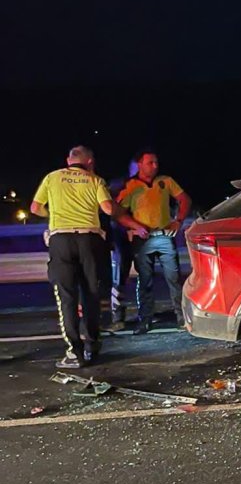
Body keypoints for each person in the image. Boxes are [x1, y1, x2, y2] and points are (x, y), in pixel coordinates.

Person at [30, 145, 147, 368]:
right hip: (90, 240)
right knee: (92, 294)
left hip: (61, 240)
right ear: (90, 162)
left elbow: (35, 207)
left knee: (67, 297)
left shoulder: (52, 177)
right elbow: (108, 209)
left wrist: (54, 214)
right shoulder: (95, 180)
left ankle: (75, 353)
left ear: (68, 160)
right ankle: (92, 345)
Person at [118, 151, 192, 333]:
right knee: (145, 280)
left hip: (164, 236)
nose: (155, 166)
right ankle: (145, 319)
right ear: (139, 165)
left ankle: (182, 317)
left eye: (156, 162)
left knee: (174, 279)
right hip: (142, 240)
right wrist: (135, 226)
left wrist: (179, 220)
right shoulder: (131, 185)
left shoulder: (165, 181)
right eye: (150, 162)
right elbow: (118, 212)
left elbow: (184, 199)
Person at [107, 158, 139, 330]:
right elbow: (110, 210)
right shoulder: (119, 185)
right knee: (119, 277)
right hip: (120, 236)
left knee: (144, 275)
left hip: (139, 235)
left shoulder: (151, 185)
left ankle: (145, 313)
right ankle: (117, 316)